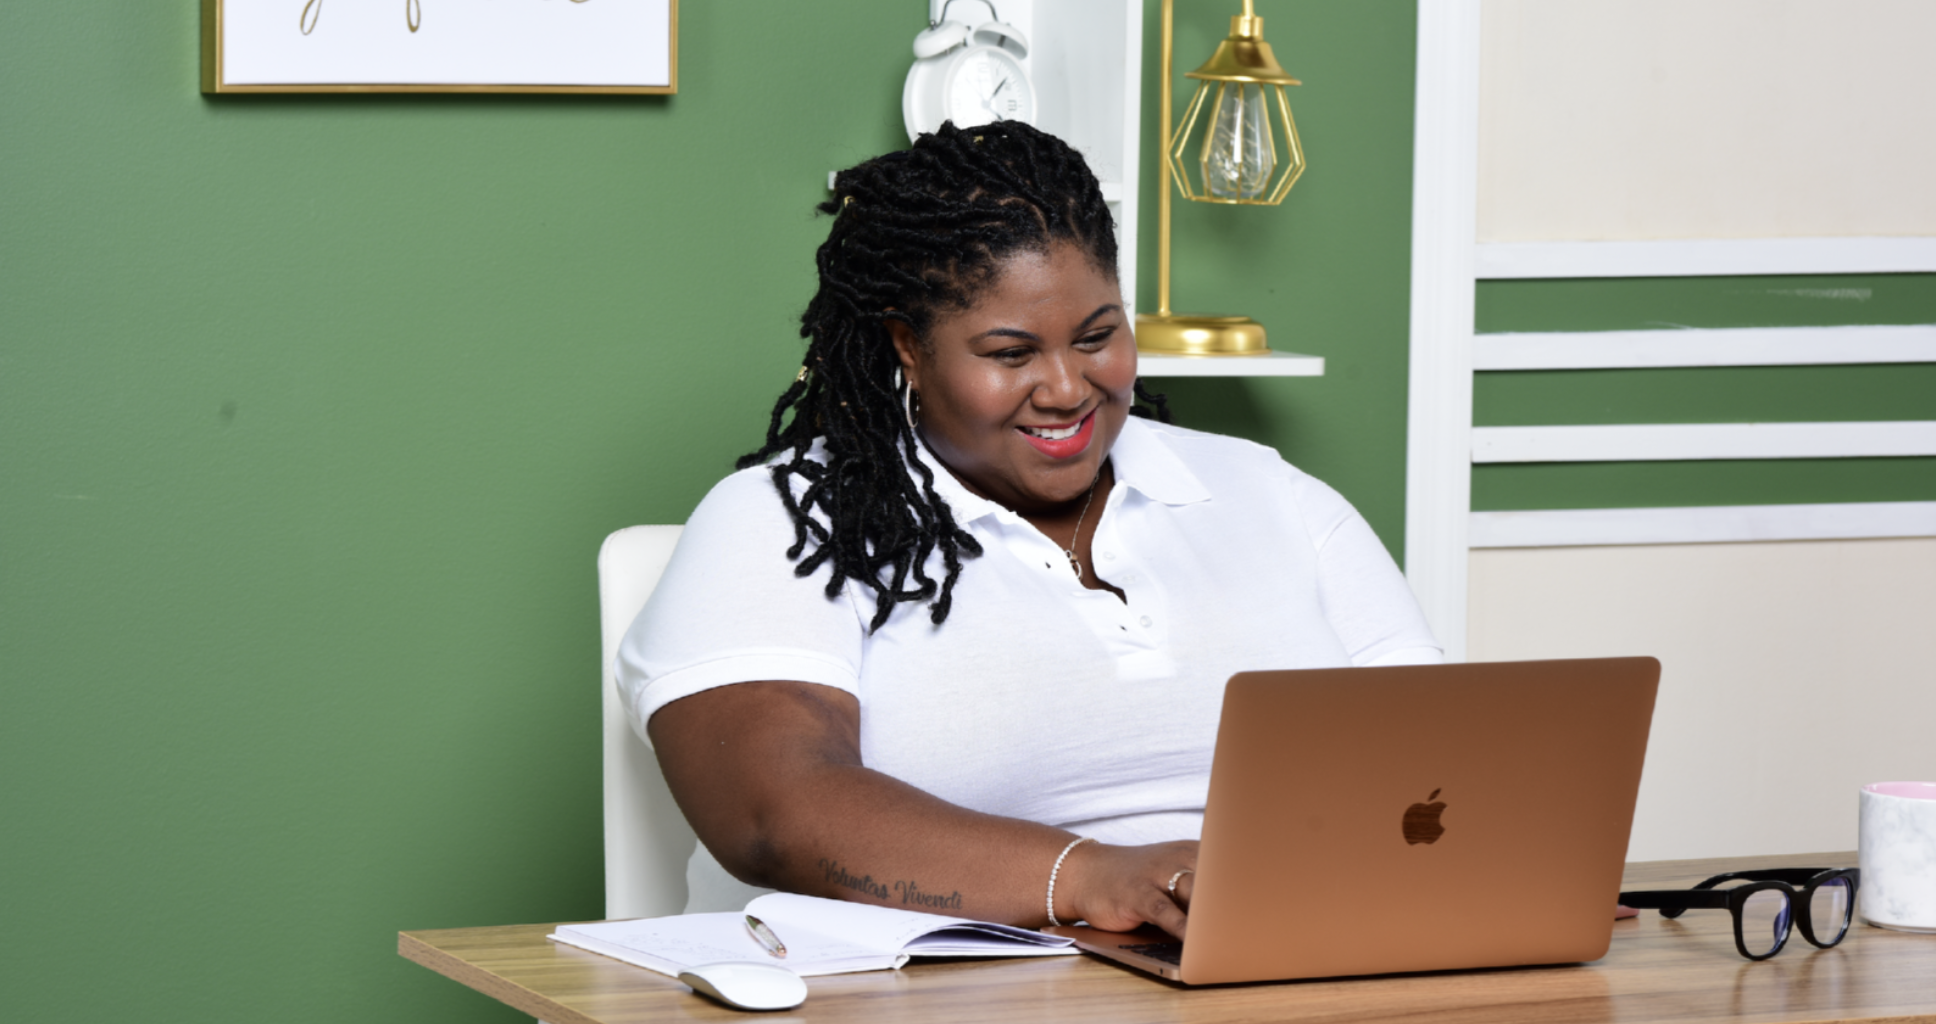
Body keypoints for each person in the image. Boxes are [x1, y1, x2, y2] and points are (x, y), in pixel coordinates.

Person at [617, 122, 1439, 939]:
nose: (1065, 388)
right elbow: (774, 812)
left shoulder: (1273, 496)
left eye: (1097, 337)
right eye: (1011, 354)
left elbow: (1446, 767)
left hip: (1273, 959)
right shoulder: (791, 518)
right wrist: (1087, 877)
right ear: (908, 346)